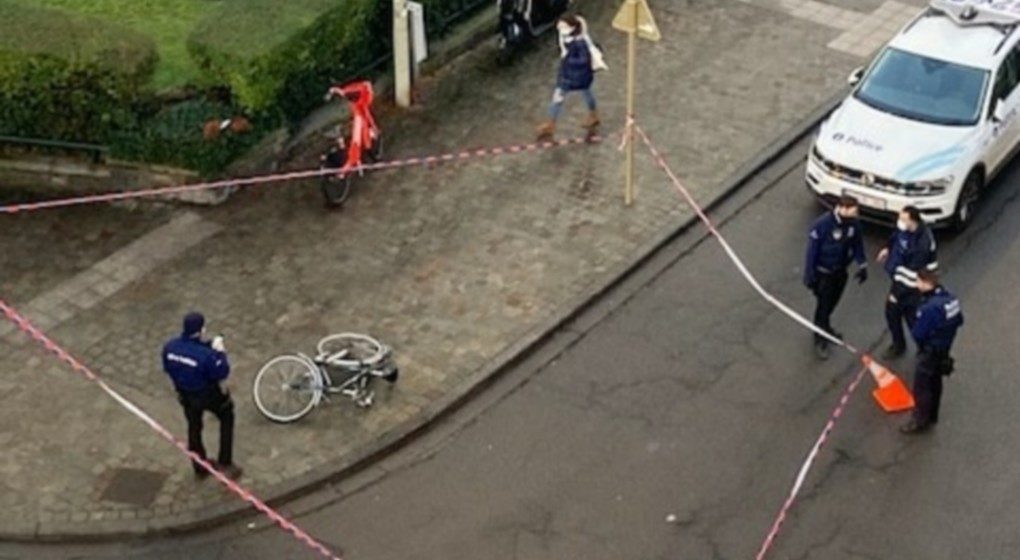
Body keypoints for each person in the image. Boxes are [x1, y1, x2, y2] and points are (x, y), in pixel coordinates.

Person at [162, 312, 242, 480]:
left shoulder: (170, 348)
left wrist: (208, 345)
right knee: (227, 416)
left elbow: (169, 367)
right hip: (208, 394)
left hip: (185, 395)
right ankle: (225, 462)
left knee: (194, 427)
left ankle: (199, 465)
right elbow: (221, 372)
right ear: (201, 329)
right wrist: (220, 352)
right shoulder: (206, 356)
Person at [803, 196, 868, 360]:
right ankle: (820, 339)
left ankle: (826, 327)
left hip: (840, 272)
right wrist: (810, 275)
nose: (856, 214)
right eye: (853, 211)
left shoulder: (853, 224)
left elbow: (857, 244)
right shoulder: (822, 225)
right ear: (842, 208)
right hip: (824, 273)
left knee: (832, 303)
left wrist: (862, 264)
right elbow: (812, 252)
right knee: (823, 307)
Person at [901, 270, 963, 434]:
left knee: (922, 386)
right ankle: (932, 415)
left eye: (917, 281)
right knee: (936, 383)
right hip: (944, 347)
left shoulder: (929, 308)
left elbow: (918, 333)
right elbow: (959, 320)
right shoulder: (950, 299)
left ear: (925, 283)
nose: (916, 285)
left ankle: (920, 420)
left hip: (930, 350)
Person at [876, 206, 938, 359]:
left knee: (912, 320)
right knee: (892, 314)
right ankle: (899, 345)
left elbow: (911, 274)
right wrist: (887, 248)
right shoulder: (906, 229)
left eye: (903, 219)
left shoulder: (922, 244)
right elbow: (896, 237)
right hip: (900, 277)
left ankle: (924, 350)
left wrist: (896, 294)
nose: (900, 221)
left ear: (913, 221)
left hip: (913, 286)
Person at [536, 15, 607, 140]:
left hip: (575, 75)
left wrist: (568, 60)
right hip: (571, 74)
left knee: (560, 96)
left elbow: (583, 59)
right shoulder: (566, 38)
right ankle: (593, 115)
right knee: (585, 92)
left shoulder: (579, 42)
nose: (560, 28)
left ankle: (551, 124)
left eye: (563, 26)